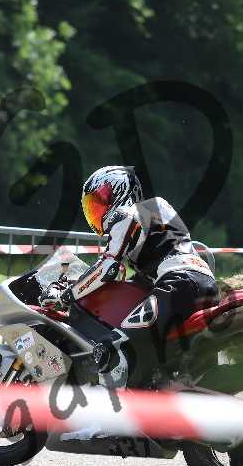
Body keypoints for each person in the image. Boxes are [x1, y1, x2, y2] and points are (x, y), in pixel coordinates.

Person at [41, 165, 218, 388]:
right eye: (91, 206)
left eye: (100, 202)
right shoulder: (156, 208)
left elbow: (107, 267)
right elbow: (137, 275)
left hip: (178, 284)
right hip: (204, 284)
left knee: (112, 348)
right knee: (156, 357)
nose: (96, 211)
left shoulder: (126, 214)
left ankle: (110, 408)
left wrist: (68, 295)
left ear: (120, 192)